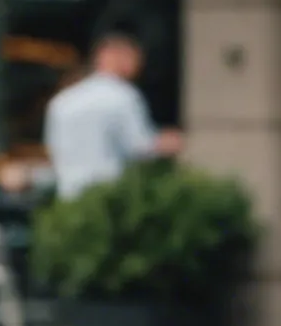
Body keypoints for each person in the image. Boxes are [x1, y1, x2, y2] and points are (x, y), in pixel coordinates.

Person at [45, 24, 185, 197]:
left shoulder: (63, 101)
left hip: (70, 193)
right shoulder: (123, 96)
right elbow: (140, 147)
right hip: (109, 196)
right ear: (115, 56)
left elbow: (53, 149)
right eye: (134, 58)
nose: (139, 66)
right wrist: (166, 142)